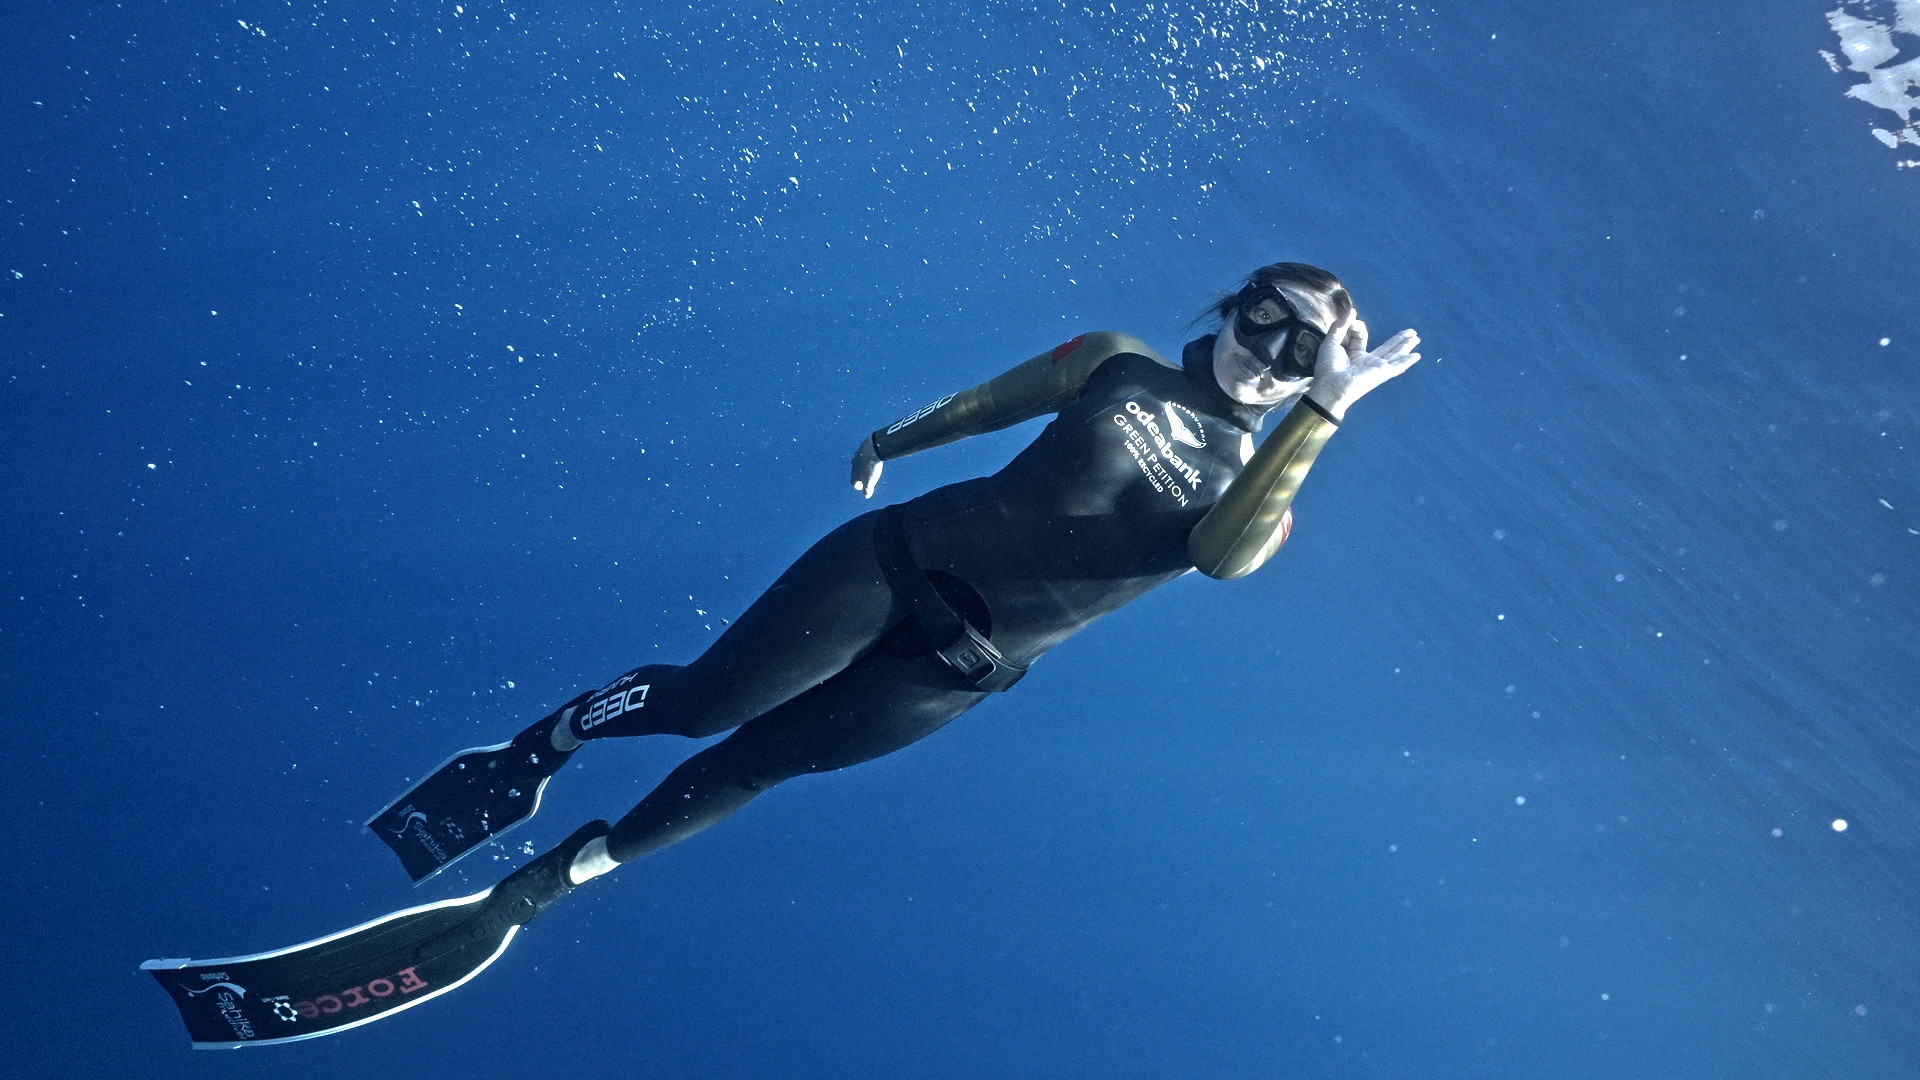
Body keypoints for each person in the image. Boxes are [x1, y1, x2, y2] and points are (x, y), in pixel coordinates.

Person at [147, 261, 1420, 1047]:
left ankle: (535, 889)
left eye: (1312, 355)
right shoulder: (1120, 360)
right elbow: (994, 401)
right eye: (1270, 323)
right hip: (888, 568)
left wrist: (1318, 418)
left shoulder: (1262, 491)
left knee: (755, 771)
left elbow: (1221, 557)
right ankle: (553, 740)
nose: (1277, 356)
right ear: (1236, 303)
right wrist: (892, 434)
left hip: (953, 675)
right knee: (707, 707)